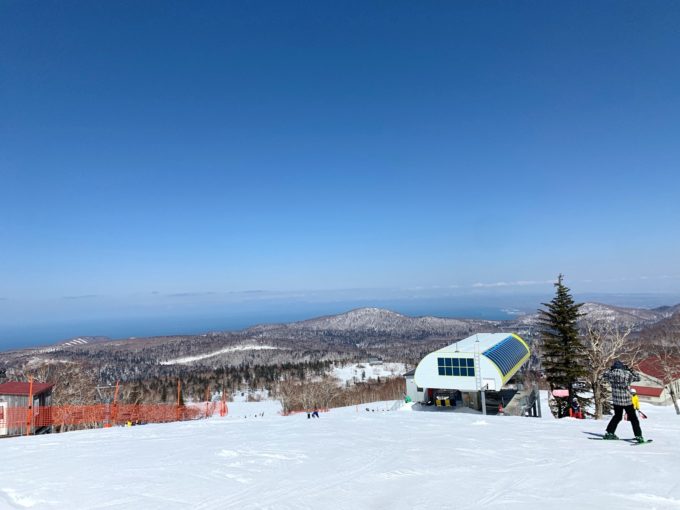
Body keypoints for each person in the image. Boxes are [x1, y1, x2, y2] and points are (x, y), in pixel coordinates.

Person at [602, 360, 645, 442]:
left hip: (616, 401)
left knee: (617, 417)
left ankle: (609, 433)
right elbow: (638, 378)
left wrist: (610, 369)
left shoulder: (610, 374)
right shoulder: (627, 374)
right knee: (633, 419)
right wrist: (631, 370)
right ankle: (638, 435)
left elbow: (604, 375)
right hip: (627, 401)